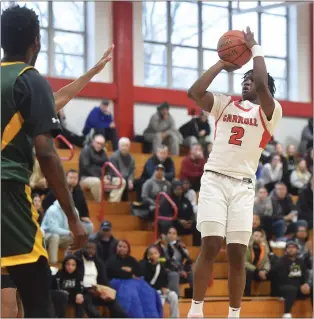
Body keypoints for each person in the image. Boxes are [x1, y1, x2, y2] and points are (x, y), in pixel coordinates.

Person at [1, 5, 92, 317]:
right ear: (35, 42)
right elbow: (47, 152)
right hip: (8, 196)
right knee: (40, 296)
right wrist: (73, 218)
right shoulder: (29, 79)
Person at [186, 27, 282, 318]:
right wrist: (220, 63)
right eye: (244, 79)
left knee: (238, 253)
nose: (246, 83)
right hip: (214, 179)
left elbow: (264, 88)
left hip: (242, 186)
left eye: (251, 80)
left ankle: (234, 314)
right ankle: (196, 309)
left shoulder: (270, 111)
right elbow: (194, 92)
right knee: (211, 244)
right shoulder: (225, 104)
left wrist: (255, 50)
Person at [107, 240, 163, 318]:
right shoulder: (111, 260)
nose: (122, 248)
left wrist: (130, 270)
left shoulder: (131, 259)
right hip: (118, 282)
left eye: (124, 247)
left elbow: (139, 272)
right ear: (116, 248)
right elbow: (116, 272)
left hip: (134, 281)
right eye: (120, 246)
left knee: (149, 291)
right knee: (132, 294)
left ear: (128, 249)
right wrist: (130, 273)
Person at [75, 240, 128, 318]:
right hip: (83, 292)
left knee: (113, 302)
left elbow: (104, 279)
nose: (90, 251)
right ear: (83, 249)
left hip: (97, 290)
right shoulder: (77, 261)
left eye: (93, 249)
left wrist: (108, 292)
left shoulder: (99, 262)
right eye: (88, 248)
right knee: (92, 308)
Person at [43, 169, 94, 234]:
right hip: (59, 221)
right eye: (71, 178)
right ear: (65, 178)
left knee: (89, 226)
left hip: (74, 221)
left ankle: (82, 244)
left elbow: (83, 207)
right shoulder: (57, 189)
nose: (73, 180)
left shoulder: (79, 192)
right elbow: (45, 204)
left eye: (75, 178)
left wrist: (85, 216)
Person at [79, 134, 126, 202]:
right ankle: (101, 204)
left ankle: (112, 203)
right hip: (85, 178)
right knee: (96, 182)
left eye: (102, 144)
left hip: (102, 177)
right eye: (98, 143)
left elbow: (108, 167)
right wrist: (101, 177)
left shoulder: (103, 153)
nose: (99, 145)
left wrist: (108, 177)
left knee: (122, 182)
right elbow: (86, 168)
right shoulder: (85, 151)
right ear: (93, 142)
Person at [271, 240, 312, 318]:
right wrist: (300, 285)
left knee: (311, 288)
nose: (291, 249)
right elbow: (281, 279)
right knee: (291, 289)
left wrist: (306, 284)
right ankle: (286, 313)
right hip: (282, 287)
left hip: (298, 287)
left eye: (293, 247)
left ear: (297, 249)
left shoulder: (300, 261)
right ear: (286, 250)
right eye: (289, 247)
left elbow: (305, 274)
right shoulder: (281, 261)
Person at [141, 246, 180, 318]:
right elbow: (145, 283)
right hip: (152, 291)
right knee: (160, 301)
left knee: (174, 296)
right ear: (148, 256)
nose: (154, 255)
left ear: (159, 254)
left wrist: (165, 287)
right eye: (151, 254)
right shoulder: (144, 266)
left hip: (162, 290)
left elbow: (165, 279)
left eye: (155, 253)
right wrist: (159, 289)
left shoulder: (161, 266)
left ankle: (174, 317)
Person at [244, 229, 270, 296]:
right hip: (248, 270)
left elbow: (267, 261)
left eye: (260, 236)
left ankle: (272, 295)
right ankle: (247, 295)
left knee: (274, 272)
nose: (258, 238)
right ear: (251, 236)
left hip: (259, 271)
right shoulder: (246, 247)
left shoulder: (264, 248)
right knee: (249, 272)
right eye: (256, 235)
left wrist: (265, 270)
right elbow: (244, 262)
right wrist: (257, 270)